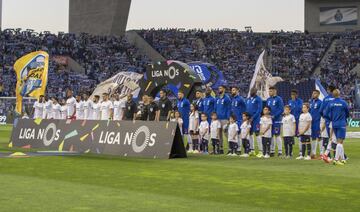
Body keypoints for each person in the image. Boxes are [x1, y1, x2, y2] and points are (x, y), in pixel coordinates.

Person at [327, 89, 349, 165]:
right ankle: (336, 159)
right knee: (340, 142)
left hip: (334, 124)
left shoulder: (331, 103)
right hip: (341, 124)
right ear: (339, 94)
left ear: (333, 95)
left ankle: (343, 159)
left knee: (339, 142)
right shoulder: (343, 102)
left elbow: (327, 114)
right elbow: (347, 113)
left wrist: (332, 119)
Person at [266, 87, 284, 157]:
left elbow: (281, 109)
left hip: (277, 120)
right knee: (271, 135)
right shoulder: (268, 99)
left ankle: (280, 151)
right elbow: (267, 109)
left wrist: (274, 116)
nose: (269, 92)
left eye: (271, 91)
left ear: (274, 91)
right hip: (270, 120)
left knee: (277, 135)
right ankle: (272, 151)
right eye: (269, 91)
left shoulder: (279, 99)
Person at [246, 88, 263, 157]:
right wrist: (247, 118)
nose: (252, 92)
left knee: (257, 133)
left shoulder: (258, 99)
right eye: (251, 91)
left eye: (253, 91)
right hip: (249, 119)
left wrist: (253, 117)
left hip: (256, 119)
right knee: (250, 134)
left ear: (256, 92)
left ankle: (261, 151)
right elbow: (247, 109)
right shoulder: (249, 99)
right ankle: (252, 150)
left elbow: (259, 110)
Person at [215, 85, 231, 154]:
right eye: (219, 88)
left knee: (226, 134)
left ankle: (230, 149)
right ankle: (220, 149)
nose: (219, 89)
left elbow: (229, 109)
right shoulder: (217, 98)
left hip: (224, 119)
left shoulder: (227, 98)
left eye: (220, 88)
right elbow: (215, 108)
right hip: (218, 119)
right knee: (219, 134)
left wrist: (228, 119)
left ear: (224, 89)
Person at [230, 86, 246, 154]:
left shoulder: (241, 99)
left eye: (234, 90)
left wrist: (244, 118)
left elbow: (245, 108)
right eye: (232, 90)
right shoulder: (233, 99)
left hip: (239, 119)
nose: (232, 91)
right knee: (234, 134)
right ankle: (235, 149)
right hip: (233, 120)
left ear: (237, 90)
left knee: (239, 134)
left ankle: (239, 149)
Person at [309, 90, 323, 158]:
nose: (313, 94)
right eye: (313, 93)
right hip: (312, 122)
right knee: (313, 137)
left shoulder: (320, 102)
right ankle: (313, 153)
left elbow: (322, 112)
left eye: (315, 93)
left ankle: (321, 153)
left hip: (318, 122)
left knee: (319, 137)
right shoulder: (311, 102)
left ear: (318, 94)